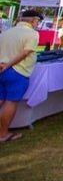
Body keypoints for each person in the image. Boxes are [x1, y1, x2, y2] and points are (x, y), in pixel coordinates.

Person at [0, 10, 41, 142]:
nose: (38, 24)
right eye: (37, 21)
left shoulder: (6, 32)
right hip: (17, 70)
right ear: (34, 20)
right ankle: (3, 134)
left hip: (3, 68)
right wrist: (9, 64)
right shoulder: (32, 34)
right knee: (11, 102)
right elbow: (25, 52)